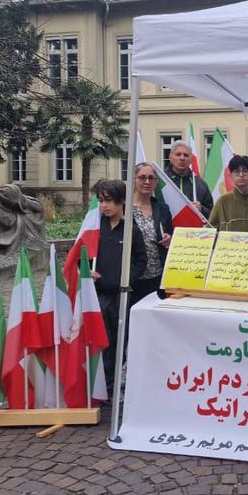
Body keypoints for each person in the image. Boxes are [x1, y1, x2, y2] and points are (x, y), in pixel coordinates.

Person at [89, 180, 147, 383]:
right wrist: (86, 269)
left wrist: (127, 279)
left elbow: (141, 260)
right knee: (100, 341)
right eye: (101, 201)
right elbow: (82, 255)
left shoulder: (131, 229)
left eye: (109, 201)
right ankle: (100, 385)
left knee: (118, 341)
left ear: (122, 201)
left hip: (121, 297)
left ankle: (113, 385)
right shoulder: (95, 228)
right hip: (98, 295)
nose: (104, 206)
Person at [131, 163, 173, 303]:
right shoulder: (124, 208)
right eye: (142, 177)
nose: (147, 181)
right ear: (134, 179)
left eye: (151, 178)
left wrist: (169, 238)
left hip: (158, 276)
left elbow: (171, 234)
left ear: (156, 182)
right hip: (133, 278)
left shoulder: (162, 208)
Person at [208, 155, 248, 232]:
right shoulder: (223, 201)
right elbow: (210, 230)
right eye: (237, 171)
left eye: (245, 171)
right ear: (231, 176)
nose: (241, 175)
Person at [164, 141, 212, 219]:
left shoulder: (200, 184)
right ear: (170, 157)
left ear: (191, 159)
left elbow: (212, 213)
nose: (182, 158)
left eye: (186, 155)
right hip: (167, 229)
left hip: (192, 230)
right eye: (178, 154)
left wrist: (201, 209)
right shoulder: (161, 181)